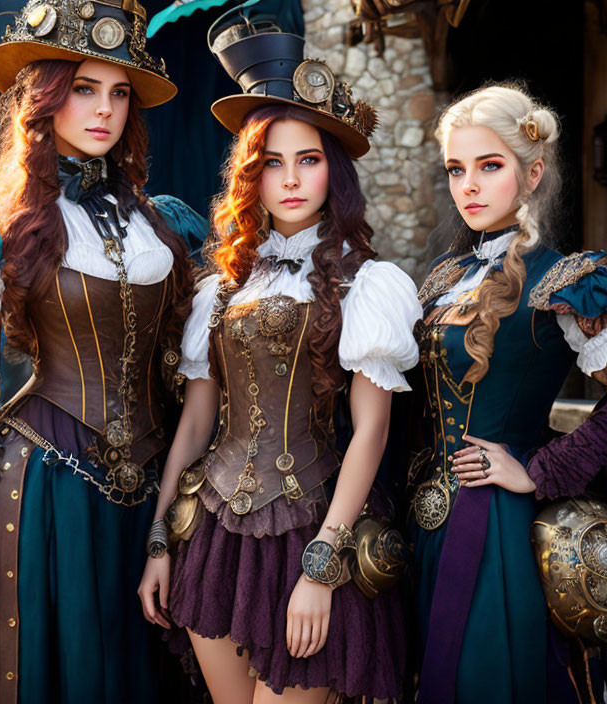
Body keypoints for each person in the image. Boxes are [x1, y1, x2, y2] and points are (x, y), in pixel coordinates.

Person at [0, 1, 199, 701]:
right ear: (45, 98)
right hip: (46, 485)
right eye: (83, 88)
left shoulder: (164, 226)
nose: (103, 109)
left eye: (119, 92)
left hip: (156, 488)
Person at [138, 14, 421, 704]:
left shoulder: (368, 282)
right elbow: (198, 422)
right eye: (272, 162)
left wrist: (322, 568)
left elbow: (372, 432)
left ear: (335, 171)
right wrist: (158, 543)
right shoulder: (223, 285)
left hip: (316, 526)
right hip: (213, 540)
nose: (291, 179)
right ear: (250, 175)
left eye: (309, 159)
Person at [406, 83, 607, 703]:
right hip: (422, 516)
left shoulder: (567, 278)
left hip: (495, 528)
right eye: (457, 169)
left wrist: (543, 470)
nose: (469, 187)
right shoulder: (445, 278)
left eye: (490, 166)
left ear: (533, 172)